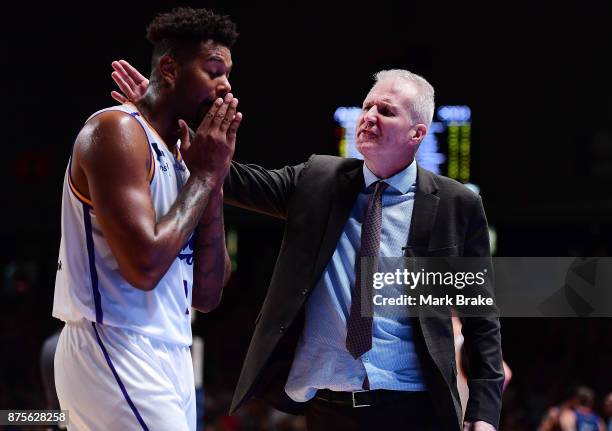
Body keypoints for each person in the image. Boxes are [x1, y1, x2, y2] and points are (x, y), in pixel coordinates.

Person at [112, 64, 503, 430]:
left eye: (385, 110)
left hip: (417, 408)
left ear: (417, 133)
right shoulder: (319, 180)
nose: (368, 116)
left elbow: (480, 318)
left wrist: (484, 414)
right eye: (367, 106)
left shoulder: (457, 203)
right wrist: (161, 118)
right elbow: (228, 178)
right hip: (327, 408)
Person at [53, 8, 242, 430]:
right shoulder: (116, 132)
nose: (226, 85)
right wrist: (207, 175)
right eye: (213, 70)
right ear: (170, 69)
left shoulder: (182, 158)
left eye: (228, 73)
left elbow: (208, 295)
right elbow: (144, 266)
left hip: (171, 351)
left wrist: (211, 184)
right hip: (112, 341)